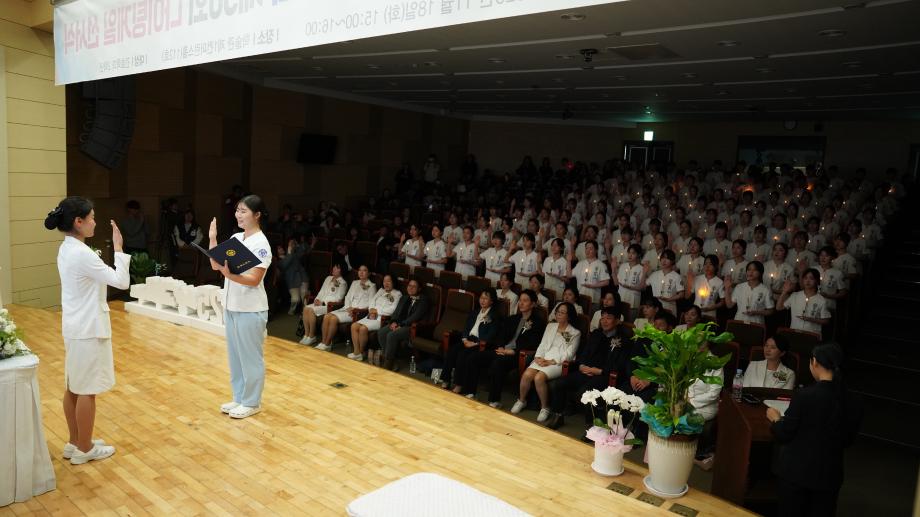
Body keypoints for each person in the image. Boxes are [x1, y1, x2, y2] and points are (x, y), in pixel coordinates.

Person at [47, 197, 129, 464]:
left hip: (75, 326)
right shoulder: (83, 254)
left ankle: (75, 441)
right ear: (78, 222)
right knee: (87, 390)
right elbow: (121, 281)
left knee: (73, 386)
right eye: (92, 218)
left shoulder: (66, 247)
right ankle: (85, 448)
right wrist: (119, 248)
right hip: (88, 328)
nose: (95, 222)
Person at [767, 344, 862, 517]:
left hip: (797, 474)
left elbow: (784, 434)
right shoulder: (854, 400)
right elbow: (848, 440)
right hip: (830, 475)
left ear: (815, 362)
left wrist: (775, 419)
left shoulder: (804, 395)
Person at [208, 194, 272, 419]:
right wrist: (212, 239)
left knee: (250, 358)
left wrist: (230, 275)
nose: (238, 215)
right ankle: (239, 397)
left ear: (257, 215)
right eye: (237, 210)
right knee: (235, 357)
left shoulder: (261, 243)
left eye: (244, 211)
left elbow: (254, 279)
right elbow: (215, 265)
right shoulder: (236, 237)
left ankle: (252, 402)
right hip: (232, 307)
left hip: (251, 309)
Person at [546, 306, 633, 430]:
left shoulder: (624, 340)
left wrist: (599, 371)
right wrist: (581, 366)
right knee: (558, 383)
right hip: (586, 371)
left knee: (585, 393)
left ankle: (591, 427)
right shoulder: (596, 334)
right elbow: (584, 353)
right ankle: (557, 416)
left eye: (608, 318)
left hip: (604, 376)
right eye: (602, 318)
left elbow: (621, 365)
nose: (604, 321)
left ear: (618, 321)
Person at [511, 302, 581, 423]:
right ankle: (522, 400)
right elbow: (543, 344)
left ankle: (544, 408)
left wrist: (551, 361)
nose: (558, 314)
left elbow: (569, 354)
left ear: (569, 316)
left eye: (562, 313)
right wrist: (538, 357)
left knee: (539, 377)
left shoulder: (575, 333)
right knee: (527, 375)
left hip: (558, 363)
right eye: (557, 312)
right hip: (543, 358)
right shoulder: (550, 326)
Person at [484, 290, 546, 408]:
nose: (521, 303)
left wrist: (512, 351)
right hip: (503, 350)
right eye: (520, 300)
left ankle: (494, 400)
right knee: (475, 356)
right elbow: (501, 335)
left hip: (517, 355)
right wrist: (501, 347)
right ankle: (469, 391)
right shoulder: (513, 318)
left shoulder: (538, 323)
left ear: (533, 304)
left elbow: (533, 344)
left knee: (498, 363)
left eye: (525, 301)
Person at [440, 289, 501, 395]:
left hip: (480, 343)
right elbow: (466, 328)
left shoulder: (494, 316)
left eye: (486, 298)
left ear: (491, 301)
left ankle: (459, 385)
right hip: (468, 340)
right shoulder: (475, 312)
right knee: (452, 350)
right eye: (481, 298)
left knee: (462, 355)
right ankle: (446, 379)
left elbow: (491, 335)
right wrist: (464, 340)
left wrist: (477, 343)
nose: (482, 300)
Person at [316, 265, 375, 351]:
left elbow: (371, 304)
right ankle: (323, 342)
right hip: (347, 309)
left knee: (333, 319)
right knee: (327, 316)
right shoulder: (355, 283)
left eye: (364, 270)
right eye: (360, 270)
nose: (361, 272)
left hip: (357, 312)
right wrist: (348, 307)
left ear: (369, 273)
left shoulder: (372, 286)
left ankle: (327, 343)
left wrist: (355, 310)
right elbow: (347, 297)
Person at [378, 279, 429, 370]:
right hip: (399, 323)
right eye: (409, 285)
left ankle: (387, 365)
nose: (411, 288)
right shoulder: (404, 297)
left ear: (419, 289)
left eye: (414, 286)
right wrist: (393, 322)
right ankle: (390, 359)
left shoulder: (423, 300)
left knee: (391, 335)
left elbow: (415, 316)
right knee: (381, 332)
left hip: (411, 327)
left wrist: (401, 324)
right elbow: (396, 312)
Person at [350, 274, 402, 363]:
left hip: (381, 319)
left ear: (393, 282)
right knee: (354, 326)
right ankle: (356, 352)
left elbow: (392, 310)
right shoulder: (381, 290)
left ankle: (361, 352)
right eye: (384, 281)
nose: (386, 283)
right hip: (371, 316)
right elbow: (372, 301)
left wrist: (377, 311)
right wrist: (371, 310)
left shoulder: (397, 294)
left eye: (389, 281)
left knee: (363, 329)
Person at [298, 263, 347, 345]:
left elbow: (339, 298)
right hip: (320, 303)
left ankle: (312, 336)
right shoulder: (328, 278)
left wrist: (323, 303)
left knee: (311, 310)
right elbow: (321, 291)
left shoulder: (343, 283)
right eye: (334, 267)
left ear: (341, 270)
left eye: (337, 268)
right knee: (306, 308)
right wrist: (317, 299)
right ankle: (306, 335)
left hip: (328, 306)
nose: (334, 269)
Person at [777, 268, 833, 339]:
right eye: (805, 278)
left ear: (816, 281)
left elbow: (826, 321)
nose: (808, 281)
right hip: (794, 333)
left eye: (811, 278)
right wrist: (784, 292)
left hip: (812, 335)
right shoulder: (795, 295)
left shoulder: (821, 300)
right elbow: (778, 308)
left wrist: (811, 319)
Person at [724, 261, 774, 325]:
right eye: (749, 269)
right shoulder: (739, 287)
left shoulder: (765, 290)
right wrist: (727, 288)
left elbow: (770, 311)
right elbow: (729, 305)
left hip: (756, 323)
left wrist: (756, 312)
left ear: (760, 273)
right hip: (739, 321)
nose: (751, 272)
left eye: (754, 270)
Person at [277, 237, 311, 315]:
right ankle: (292, 310)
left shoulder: (292, 254)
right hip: (292, 281)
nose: (281, 249)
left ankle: (305, 312)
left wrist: (298, 245)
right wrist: (289, 252)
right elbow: (284, 265)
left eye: (281, 247)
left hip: (302, 277)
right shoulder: (278, 261)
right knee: (296, 299)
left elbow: (303, 253)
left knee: (304, 296)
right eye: (278, 248)